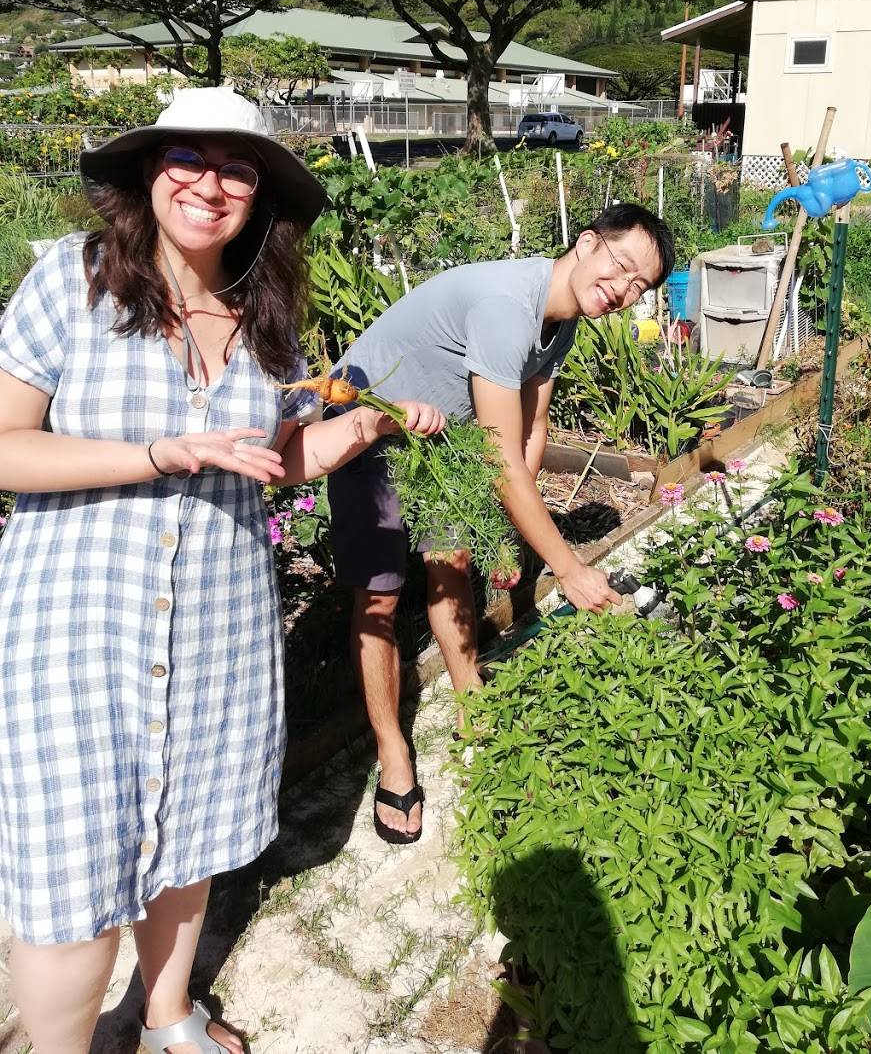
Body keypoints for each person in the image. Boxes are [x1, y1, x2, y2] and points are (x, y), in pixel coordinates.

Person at [0, 87, 443, 1054]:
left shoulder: (263, 316)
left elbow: (270, 461)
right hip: (78, 628)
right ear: (148, 174)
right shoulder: (71, 282)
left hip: (218, 624)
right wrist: (162, 452)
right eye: (187, 159)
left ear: (261, 194)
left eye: (236, 167)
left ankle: (167, 1018)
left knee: (189, 834)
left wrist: (362, 425)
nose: (210, 182)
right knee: (71, 873)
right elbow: (3, 446)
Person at [328, 203, 674, 845]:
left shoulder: (563, 321)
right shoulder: (506, 307)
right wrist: (567, 570)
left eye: (639, 287)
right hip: (368, 425)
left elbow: (531, 430)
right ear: (588, 242)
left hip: (441, 439)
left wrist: (503, 532)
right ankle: (392, 753)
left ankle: (471, 704)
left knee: (452, 564)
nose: (623, 291)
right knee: (379, 594)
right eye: (621, 266)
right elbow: (499, 459)